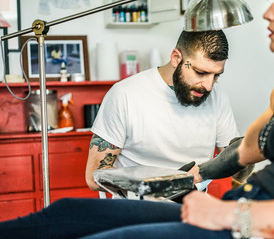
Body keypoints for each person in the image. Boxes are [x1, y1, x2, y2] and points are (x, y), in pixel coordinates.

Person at [0, 0, 274, 238]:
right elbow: (239, 154)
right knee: (69, 212)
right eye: (200, 73)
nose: (268, 12)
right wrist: (189, 178)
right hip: (222, 206)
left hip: (247, 221)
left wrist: (226, 213)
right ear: (177, 57)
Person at [85, 30, 240, 193]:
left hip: (194, 208)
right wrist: (162, 184)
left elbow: (237, 167)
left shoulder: (217, 96)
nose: (208, 86)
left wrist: (255, 145)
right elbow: (94, 178)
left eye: (216, 76)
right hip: (139, 208)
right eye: (200, 73)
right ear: (176, 58)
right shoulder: (125, 94)